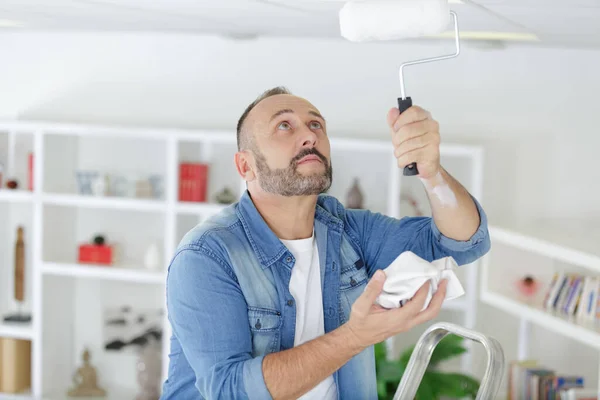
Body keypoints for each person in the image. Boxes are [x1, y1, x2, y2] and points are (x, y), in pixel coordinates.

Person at [160, 87, 490, 400]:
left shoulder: (347, 230)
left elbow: (462, 242)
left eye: (316, 124)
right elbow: (230, 391)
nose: (310, 135)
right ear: (246, 165)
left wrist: (431, 173)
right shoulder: (207, 256)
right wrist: (356, 336)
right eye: (284, 126)